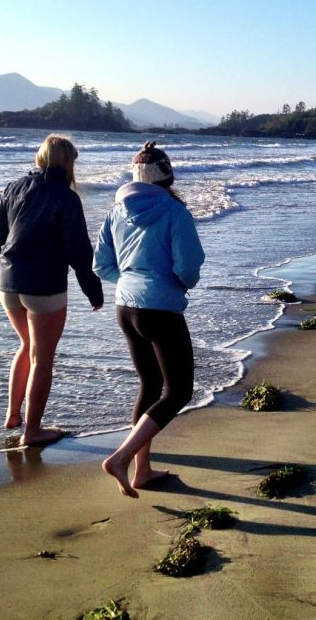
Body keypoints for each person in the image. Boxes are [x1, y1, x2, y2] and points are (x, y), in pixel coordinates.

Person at [0, 134, 104, 446]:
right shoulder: (66, 198)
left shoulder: (14, 187)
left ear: (41, 158)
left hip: (9, 283)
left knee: (25, 345)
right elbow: (79, 251)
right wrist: (93, 292)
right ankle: (32, 432)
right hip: (44, 286)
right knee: (42, 357)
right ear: (68, 162)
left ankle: (13, 415)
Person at [93, 140, 204, 498]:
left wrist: (129, 282)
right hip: (159, 307)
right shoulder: (175, 212)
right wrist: (176, 286)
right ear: (167, 176)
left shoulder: (116, 212)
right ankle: (122, 458)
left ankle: (142, 470)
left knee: (151, 385)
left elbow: (101, 266)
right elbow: (187, 267)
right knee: (178, 391)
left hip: (125, 307)